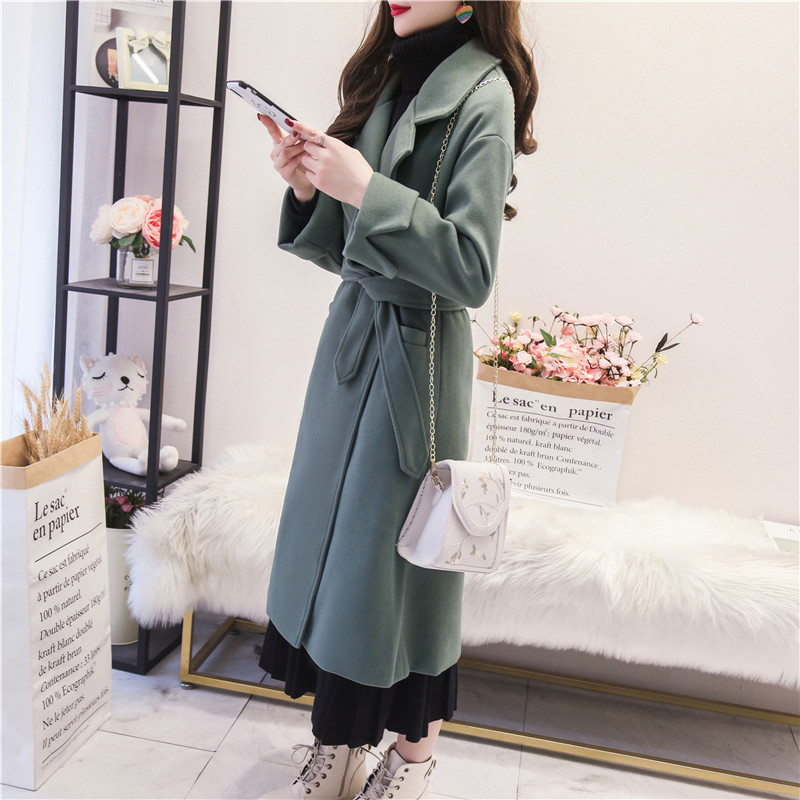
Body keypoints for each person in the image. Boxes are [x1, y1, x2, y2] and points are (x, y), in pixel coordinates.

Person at [256, 2, 537, 798]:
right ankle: (340, 746)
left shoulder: (485, 93)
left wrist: (367, 187)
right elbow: (351, 249)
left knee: (405, 565)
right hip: (351, 348)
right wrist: (311, 190)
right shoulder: (387, 78)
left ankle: (414, 762)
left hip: (418, 361)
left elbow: (470, 268)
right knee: (334, 556)